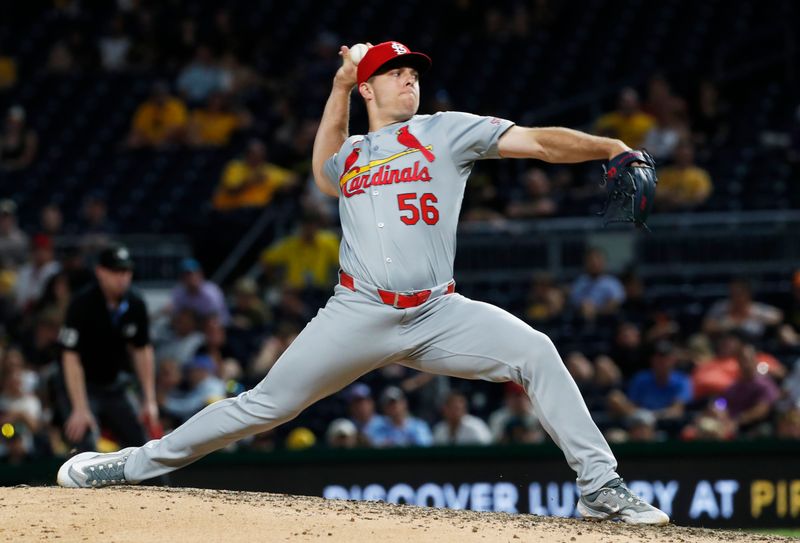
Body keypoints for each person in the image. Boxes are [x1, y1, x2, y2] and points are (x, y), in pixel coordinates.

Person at [57, 41, 668, 525]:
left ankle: (600, 487)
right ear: (370, 86)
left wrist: (607, 146)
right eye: (396, 72)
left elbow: (537, 142)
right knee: (261, 407)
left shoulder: (445, 130)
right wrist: (339, 86)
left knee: (536, 350)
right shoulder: (350, 156)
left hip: (437, 311)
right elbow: (324, 166)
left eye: (413, 72)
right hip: (358, 311)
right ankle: (130, 465)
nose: (410, 79)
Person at [56, 244, 156, 451]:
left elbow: (142, 350)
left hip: (114, 384)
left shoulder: (136, 303)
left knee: (144, 448)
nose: (122, 277)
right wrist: (80, 408)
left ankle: (158, 484)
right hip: (82, 385)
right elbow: (70, 356)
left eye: (126, 271)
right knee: (84, 440)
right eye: (115, 271)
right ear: (100, 272)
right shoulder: (82, 304)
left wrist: (149, 400)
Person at [212, 139, 296, 211]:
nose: (257, 158)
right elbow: (231, 191)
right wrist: (251, 181)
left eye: (260, 156)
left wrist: (285, 186)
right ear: (247, 155)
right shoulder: (235, 167)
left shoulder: (268, 170)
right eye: (254, 155)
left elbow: (293, 179)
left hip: (255, 213)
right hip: (230, 209)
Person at [364, 386, 432, 448]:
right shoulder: (375, 426)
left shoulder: (419, 426)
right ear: (384, 407)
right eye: (389, 404)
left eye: (396, 402)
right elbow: (373, 446)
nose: (394, 406)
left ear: (404, 403)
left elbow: (425, 447)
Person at [569, 248, 625, 319]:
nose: (594, 263)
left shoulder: (613, 283)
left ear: (604, 262)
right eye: (591, 260)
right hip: (582, 319)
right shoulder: (580, 282)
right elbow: (575, 302)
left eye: (597, 260)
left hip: (608, 320)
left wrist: (596, 311)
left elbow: (616, 303)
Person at [170, 258, 230, 325]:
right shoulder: (178, 292)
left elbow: (214, 318)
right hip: (193, 328)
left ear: (200, 274)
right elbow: (177, 315)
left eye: (192, 274)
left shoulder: (211, 292)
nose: (190, 278)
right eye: (186, 275)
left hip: (218, 326)